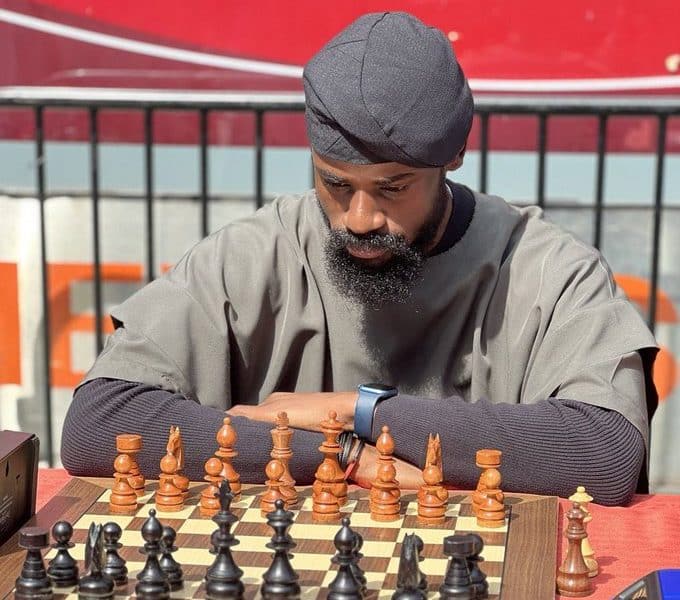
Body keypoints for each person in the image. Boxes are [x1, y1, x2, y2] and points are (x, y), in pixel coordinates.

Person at [61, 12, 658, 506]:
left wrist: (359, 410)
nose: (360, 218)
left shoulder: (544, 267)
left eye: (394, 188)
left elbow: (603, 449)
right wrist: (343, 453)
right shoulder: (254, 253)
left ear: (454, 157)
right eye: (336, 184)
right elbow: (98, 421)